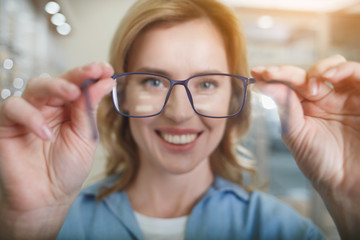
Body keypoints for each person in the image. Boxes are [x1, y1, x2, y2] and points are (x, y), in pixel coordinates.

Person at [0, 0, 359, 239]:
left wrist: (349, 200)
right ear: (119, 91)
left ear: (235, 95)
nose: (180, 112)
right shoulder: (56, 224)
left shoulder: (283, 231)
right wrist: (26, 226)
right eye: (153, 81)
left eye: (206, 83)